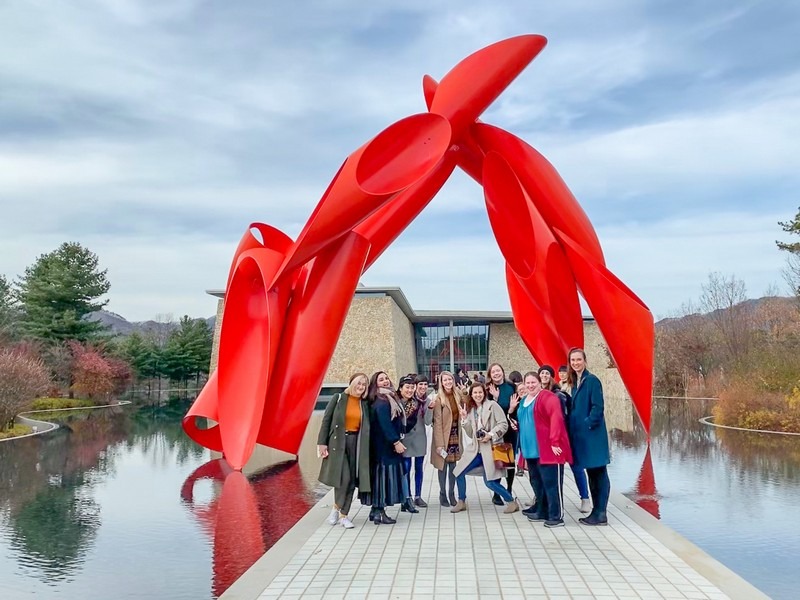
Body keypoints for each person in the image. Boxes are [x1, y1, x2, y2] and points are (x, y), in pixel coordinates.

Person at [453, 382, 519, 513]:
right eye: (475, 393)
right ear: (471, 394)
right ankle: (461, 501)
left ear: (484, 393)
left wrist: (490, 434)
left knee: (490, 482)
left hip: (490, 449)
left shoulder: (493, 406)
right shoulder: (471, 410)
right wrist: (464, 420)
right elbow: (471, 433)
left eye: (480, 392)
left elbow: (503, 424)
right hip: (476, 450)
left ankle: (511, 501)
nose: (478, 395)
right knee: (458, 472)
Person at [317, 372, 372, 529]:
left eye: (364, 384)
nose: (361, 387)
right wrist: (322, 443)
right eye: (359, 383)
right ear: (352, 383)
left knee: (352, 481)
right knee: (344, 479)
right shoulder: (339, 398)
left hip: (357, 443)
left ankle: (342, 514)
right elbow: (326, 420)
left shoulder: (364, 403)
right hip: (338, 443)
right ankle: (337, 509)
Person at [567, 348, 612, 526]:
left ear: (585, 360)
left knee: (599, 473)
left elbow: (598, 408)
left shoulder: (592, 381)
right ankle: (596, 511)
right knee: (591, 473)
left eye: (579, 359)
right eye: (573, 360)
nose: (576, 363)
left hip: (593, 436)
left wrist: (586, 424)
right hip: (582, 438)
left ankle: (601, 513)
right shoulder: (575, 383)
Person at [540, 365, 591, 514]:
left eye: (547, 373)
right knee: (548, 470)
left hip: (565, 435)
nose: (544, 375)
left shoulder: (559, 393)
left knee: (575, 466)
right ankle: (542, 499)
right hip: (547, 438)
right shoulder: (538, 393)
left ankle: (585, 498)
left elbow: (563, 415)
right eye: (541, 373)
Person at [364, 371, 410, 525]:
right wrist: (396, 442)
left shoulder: (388, 397)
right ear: (375, 383)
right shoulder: (381, 401)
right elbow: (385, 424)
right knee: (383, 479)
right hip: (383, 448)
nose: (385, 381)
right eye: (381, 379)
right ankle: (380, 512)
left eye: (386, 378)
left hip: (381, 447)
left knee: (379, 478)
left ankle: (375, 511)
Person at [532, 370, 573, 528]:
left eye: (533, 383)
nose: (531, 385)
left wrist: (555, 442)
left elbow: (557, 419)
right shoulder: (532, 399)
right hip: (541, 448)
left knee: (553, 483)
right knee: (546, 482)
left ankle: (557, 516)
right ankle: (549, 512)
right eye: (528, 383)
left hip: (552, 449)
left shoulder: (550, 397)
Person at [429, 370, 464, 507]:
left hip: (455, 433)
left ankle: (452, 493)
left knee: (453, 466)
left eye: (450, 379)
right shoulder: (439, 399)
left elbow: (467, 401)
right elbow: (437, 422)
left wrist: (465, 391)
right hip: (443, 435)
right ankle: (442, 493)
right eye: (445, 380)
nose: (448, 382)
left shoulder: (457, 395)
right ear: (441, 383)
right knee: (442, 467)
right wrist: (439, 444)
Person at [486, 363, 518, 504]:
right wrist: (495, 399)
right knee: (497, 461)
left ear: (503, 372)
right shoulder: (487, 390)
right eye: (493, 372)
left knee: (509, 461)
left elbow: (515, 408)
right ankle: (497, 493)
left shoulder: (511, 387)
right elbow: (487, 411)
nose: (496, 374)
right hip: (495, 430)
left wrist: (511, 409)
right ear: (490, 375)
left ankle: (509, 488)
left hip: (510, 429)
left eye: (498, 371)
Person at [400, 374, 427, 511]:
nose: (422, 387)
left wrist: (430, 407)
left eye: (425, 384)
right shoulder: (398, 402)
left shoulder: (422, 401)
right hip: (405, 439)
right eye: (408, 387)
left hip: (420, 438)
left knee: (419, 468)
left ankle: (418, 495)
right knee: (405, 468)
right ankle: (407, 497)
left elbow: (428, 420)